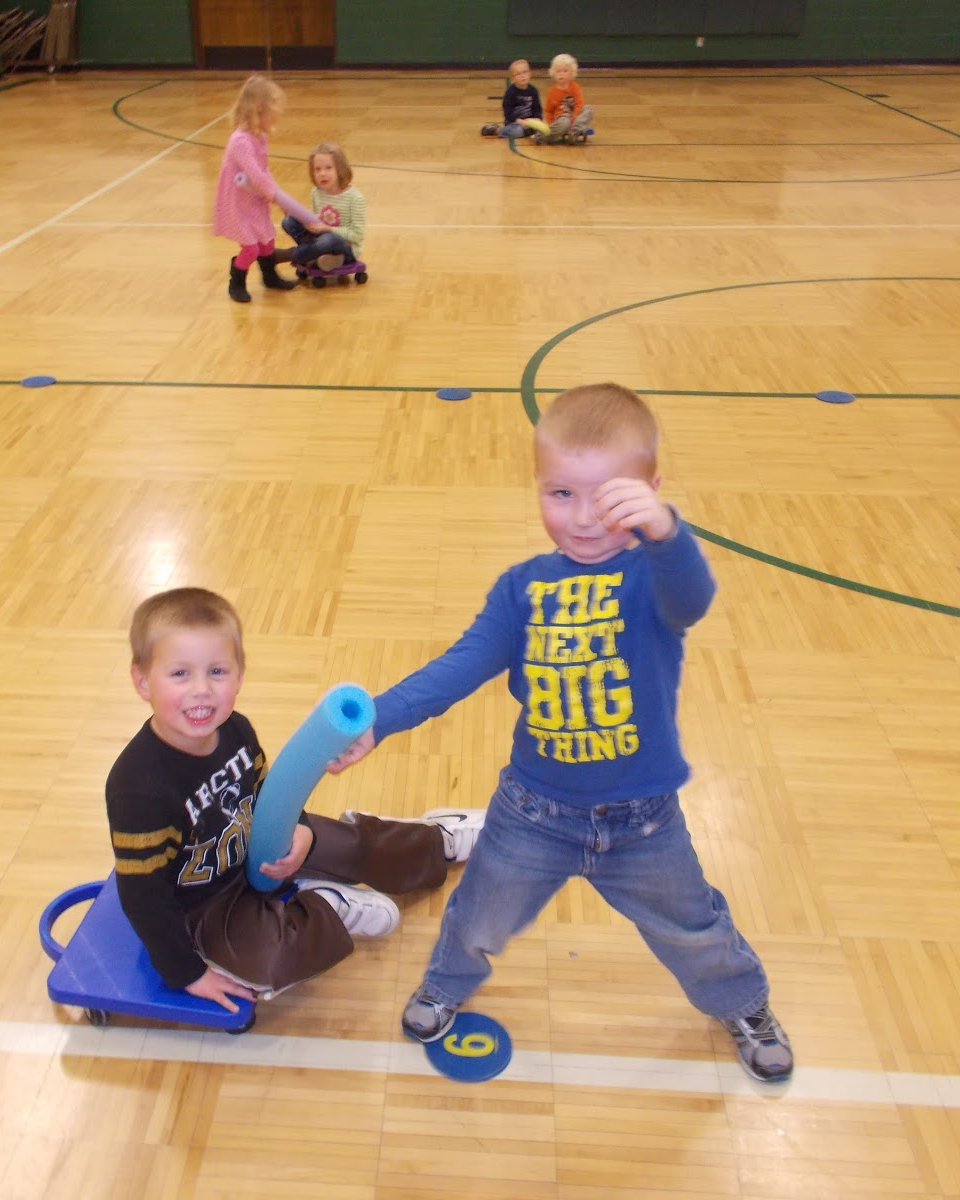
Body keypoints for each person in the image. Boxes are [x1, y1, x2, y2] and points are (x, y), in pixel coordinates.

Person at [327, 384, 793, 1083]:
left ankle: (744, 1004)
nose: (580, 520)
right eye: (559, 495)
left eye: (605, 498)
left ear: (649, 491)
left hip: (643, 823)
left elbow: (693, 599)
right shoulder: (522, 588)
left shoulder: (653, 577)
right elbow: (462, 666)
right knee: (478, 913)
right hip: (533, 814)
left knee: (692, 925)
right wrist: (380, 719)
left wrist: (669, 532)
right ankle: (445, 985)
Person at [107, 586, 485, 1012]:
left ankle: (438, 840)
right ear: (142, 681)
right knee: (267, 964)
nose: (202, 691)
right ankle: (324, 906)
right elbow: (142, 896)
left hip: (260, 847)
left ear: (240, 674)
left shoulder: (237, 731)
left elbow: (274, 791)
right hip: (205, 904)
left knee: (351, 843)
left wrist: (301, 828)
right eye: (180, 674)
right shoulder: (139, 789)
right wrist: (186, 973)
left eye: (217, 672)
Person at [213, 75, 326, 303]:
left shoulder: (260, 137)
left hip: (255, 199)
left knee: (267, 241)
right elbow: (255, 174)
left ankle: (269, 276)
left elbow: (264, 171)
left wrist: (277, 195)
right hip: (238, 203)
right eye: (275, 112)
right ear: (259, 109)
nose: (278, 117)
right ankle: (236, 280)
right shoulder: (240, 141)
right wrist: (276, 196)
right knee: (251, 248)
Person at [281, 141, 366, 270]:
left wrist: (327, 228)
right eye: (317, 169)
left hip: (344, 247)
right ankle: (317, 256)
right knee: (289, 221)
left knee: (328, 240)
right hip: (320, 238)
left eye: (328, 168)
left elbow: (357, 235)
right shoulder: (316, 193)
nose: (322, 174)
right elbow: (317, 219)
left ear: (340, 169)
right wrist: (301, 218)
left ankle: (294, 254)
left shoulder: (355, 198)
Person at [538, 53, 595, 145]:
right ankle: (543, 135)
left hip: (575, 116)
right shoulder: (552, 91)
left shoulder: (575, 87)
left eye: (565, 71)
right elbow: (548, 111)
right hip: (562, 117)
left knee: (589, 109)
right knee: (565, 123)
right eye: (558, 71)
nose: (561, 74)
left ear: (572, 73)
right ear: (553, 73)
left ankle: (575, 131)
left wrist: (574, 119)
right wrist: (551, 124)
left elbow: (579, 104)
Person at [482, 59, 544, 139]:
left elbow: (537, 108)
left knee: (543, 129)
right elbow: (508, 113)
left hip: (530, 122)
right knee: (517, 131)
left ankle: (532, 134)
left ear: (530, 73)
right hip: (514, 123)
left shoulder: (533, 90)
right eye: (518, 74)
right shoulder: (511, 92)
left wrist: (537, 119)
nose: (522, 76)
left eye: (525, 72)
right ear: (513, 78)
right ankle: (497, 130)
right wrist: (520, 121)